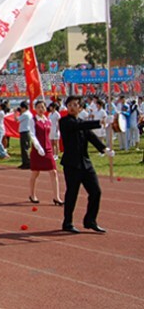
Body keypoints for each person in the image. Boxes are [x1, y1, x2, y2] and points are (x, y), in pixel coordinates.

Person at [59, 95, 112, 234]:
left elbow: (91, 137)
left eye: (75, 105)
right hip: (71, 164)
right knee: (72, 193)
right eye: (69, 105)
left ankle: (90, 220)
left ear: (81, 108)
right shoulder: (65, 122)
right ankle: (67, 222)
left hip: (85, 164)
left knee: (96, 192)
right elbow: (78, 126)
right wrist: (100, 122)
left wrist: (104, 149)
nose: (71, 107)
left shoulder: (82, 122)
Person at [28, 100, 63, 205]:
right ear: (35, 108)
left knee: (54, 172)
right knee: (35, 173)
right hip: (37, 150)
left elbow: (50, 134)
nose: (40, 109)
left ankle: (57, 197)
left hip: (48, 149)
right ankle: (32, 194)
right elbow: (32, 134)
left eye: (42, 107)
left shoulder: (48, 120)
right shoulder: (33, 120)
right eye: (38, 107)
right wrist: (38, 147)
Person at [16, 101, 33, 169]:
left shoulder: (25, 114)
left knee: (24, 148)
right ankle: (24, 162)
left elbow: (17, 119)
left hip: (25, 132)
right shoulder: (28, 114)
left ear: (24, 108)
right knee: (24, 148)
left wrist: (15, 113)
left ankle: (27, 163)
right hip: (26, 132)